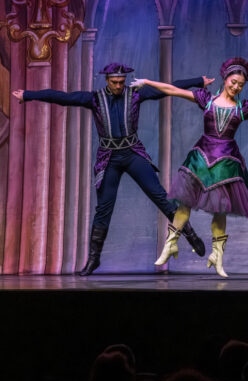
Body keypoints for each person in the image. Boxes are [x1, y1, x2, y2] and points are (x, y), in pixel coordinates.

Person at [131, 57, 248, 277]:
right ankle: (170, 244)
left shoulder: (242, 108)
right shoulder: (206, 100)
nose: (236, 87)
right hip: (201, 158)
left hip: (225, 164)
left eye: (240, 85)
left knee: (220, 209)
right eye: (233, 82)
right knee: (185, 203)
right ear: (225, 79)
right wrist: (148, 82)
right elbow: (173, 90)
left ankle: (217, 256)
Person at [12, 63, 210, 275]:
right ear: (107, 80)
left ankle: (190, 234)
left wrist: (198, 81)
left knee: (160, 196)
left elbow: (168, 87)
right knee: (104, 209)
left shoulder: (135, 95)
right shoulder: (95, 99)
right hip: (109, 159)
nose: (118, 86)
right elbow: (62, 97)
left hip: (132, 153)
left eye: (121, 82)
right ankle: (93, 259)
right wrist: (28, 95)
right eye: (114, 82)